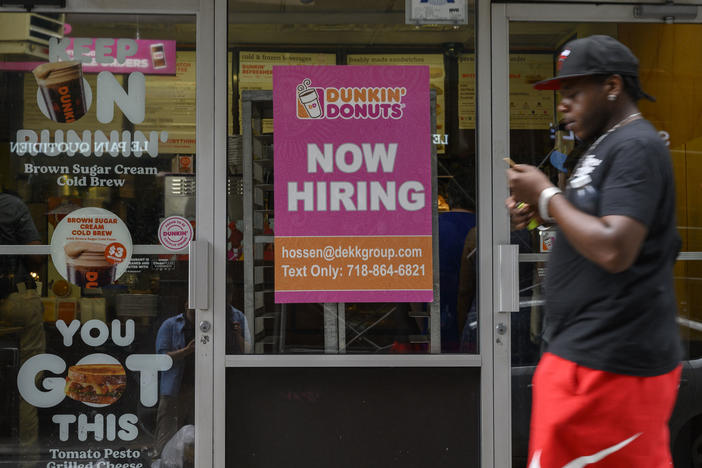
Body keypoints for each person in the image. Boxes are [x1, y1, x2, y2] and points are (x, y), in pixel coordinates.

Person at [506, 35, 682, 468]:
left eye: (573, 92)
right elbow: (590, 219)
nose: (562, 104)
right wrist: (542, 216)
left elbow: (615, 248)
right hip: (584, 355)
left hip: (613, 362)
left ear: (612, 87)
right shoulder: (602, 146)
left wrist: (547, 196)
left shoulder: (637, 146)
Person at [155, 301, 250, 454]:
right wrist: (187, 350)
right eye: (194, 310)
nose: (198, 313)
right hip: (177, 390)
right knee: (166, 436)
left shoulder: (228, 320)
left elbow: (246, 350)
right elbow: (161, 359)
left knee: (204, 437)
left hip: (209, 389)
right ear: (186, 305)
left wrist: (236, 334)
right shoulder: (171, 325)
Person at [0, 190, 45, 454]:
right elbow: (35, 256)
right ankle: (28, 458)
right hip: (15, 298)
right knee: (28, 380)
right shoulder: (13, 205)